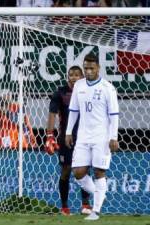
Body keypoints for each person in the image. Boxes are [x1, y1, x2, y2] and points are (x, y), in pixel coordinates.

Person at [66, 53, 119, 221]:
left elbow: (114, 114)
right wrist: (68, 132)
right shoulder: (79, 86)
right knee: (78, 172)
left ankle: (96, 211)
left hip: (101, 136)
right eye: (86, 68)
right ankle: (100, 193)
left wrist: (113, 136)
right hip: (82, 136)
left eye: (91, 68)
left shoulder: (107, 87)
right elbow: (73, 111)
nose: (88, 71)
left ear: (98, 68)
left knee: (99, 171)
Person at [45, 66, 91, 216]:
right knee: (65, 172)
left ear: (82, 77)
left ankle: (86, 205)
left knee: (83, 171)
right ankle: (64, 207)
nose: (73, 77)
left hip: (85, 137)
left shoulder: (89, 91)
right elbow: (52, 114)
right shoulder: (60, 93)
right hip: (66, 139)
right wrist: (49, 135)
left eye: (77, 75)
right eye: (71, 75)